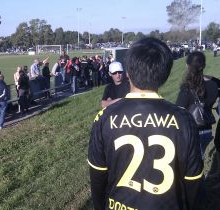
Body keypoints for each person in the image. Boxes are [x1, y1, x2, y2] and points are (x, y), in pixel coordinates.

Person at [88, 37, 203, 210]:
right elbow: (193, 182)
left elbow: (97, 177)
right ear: (165, 74)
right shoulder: (184, 120)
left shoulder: (104, 117)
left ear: (127, 73)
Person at [176, 51, 218, 158]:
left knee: (190, 166)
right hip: (207, 130)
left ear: (187, 66)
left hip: (190, 132)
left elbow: (179, 113)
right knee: (200, 161)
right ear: (203, 65)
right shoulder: (214, 85)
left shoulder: (186, 89)